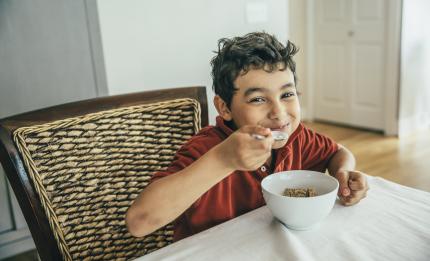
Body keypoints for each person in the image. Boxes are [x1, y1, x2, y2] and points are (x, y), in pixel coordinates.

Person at [125, 31, 369, 241]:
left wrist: (343, 173)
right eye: (258, 99)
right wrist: (223, 160)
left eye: (287, 95)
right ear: (225, 108)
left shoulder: (298, 137)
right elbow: (138, 223)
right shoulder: (207, 148)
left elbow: (338, 152)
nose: (279, 112)